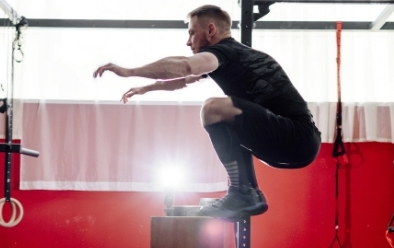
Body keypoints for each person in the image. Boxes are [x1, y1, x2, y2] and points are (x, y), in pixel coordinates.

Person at [94, 4, 321, 220]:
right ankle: (245, 193)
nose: (188, 41)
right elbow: (183, 79)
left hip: (296, 137)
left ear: (210, 30)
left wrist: (129, 71)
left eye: (192, 33)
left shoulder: (223, 52)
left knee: (213, 108)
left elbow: (185, 65)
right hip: (297, 144)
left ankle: (243, 193)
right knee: (229, 120)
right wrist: (145, 88)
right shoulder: (233, 57)